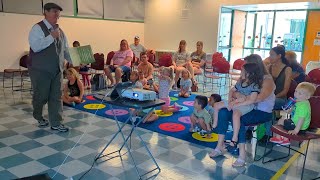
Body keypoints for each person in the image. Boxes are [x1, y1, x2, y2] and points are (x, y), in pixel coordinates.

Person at [209, 54, 275, 167]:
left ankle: (242, 155)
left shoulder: (267, 80)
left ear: (254, 67)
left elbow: (258, 98)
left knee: (240, 118)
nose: (242, 69)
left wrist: (241, 98)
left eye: (245, 66)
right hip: (243, 106)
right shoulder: (246, 76)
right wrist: (239, 96)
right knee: (223, 112)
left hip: (261, 112)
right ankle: (219, 146)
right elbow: (235, 90)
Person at [28, 2, 71, 132]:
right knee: (41, 97)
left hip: (57, 70)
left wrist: (74, 60)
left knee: (56, 97)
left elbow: (65, 49)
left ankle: (56, 123)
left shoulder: (61, 31)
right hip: (40, 70)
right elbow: (36, 46)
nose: (56, 14)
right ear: (45, 12)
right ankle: (39, 116)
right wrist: (51, 37)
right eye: (53, 11)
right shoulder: (37, 28)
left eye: (58, 12)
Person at [213, 63, 263, 146]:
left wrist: (237, 104)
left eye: (242, 72)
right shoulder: (240, 83)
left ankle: (235, 137)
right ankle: (215, 124)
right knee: (216, 105)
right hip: (235, 102)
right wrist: (229, 101)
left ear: (250, 74)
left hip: (246, 105)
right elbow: (231, 91)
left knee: (236, 114)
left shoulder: (254, 86)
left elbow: (252, 100)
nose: (240, 73)